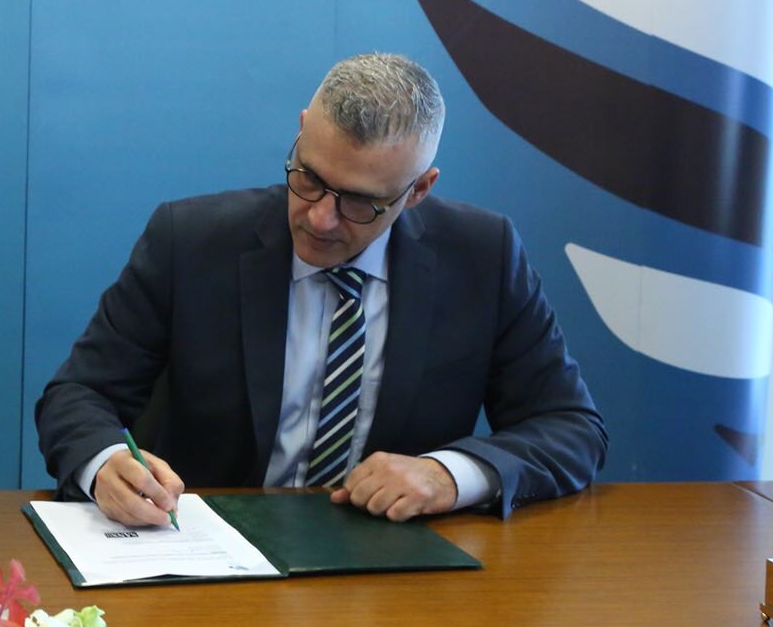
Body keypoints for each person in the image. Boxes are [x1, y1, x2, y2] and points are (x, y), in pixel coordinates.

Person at [36, 52, 605, 527]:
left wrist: (449, 476)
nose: (320, 218)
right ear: (303, 129)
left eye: (360, 201)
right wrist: (105, 462)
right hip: (205, 551)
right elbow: (77, 394)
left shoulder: (483, 256)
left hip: (390, 566)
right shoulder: (188, 242)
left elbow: (571, 427)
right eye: (308, 177)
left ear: (418, 190)